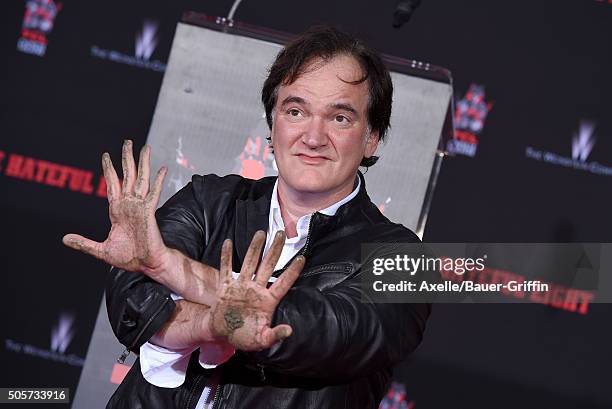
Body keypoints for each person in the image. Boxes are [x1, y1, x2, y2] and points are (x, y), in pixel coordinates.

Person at [64, 25, 430, 409]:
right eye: (295, 111)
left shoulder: (406, 258)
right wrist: (212, 324)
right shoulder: (210, 200)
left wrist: (171, 268)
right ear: (273, 123)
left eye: (340, 118)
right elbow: (132, 301)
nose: (313, 136)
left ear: (371, 136)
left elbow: (334, 334)